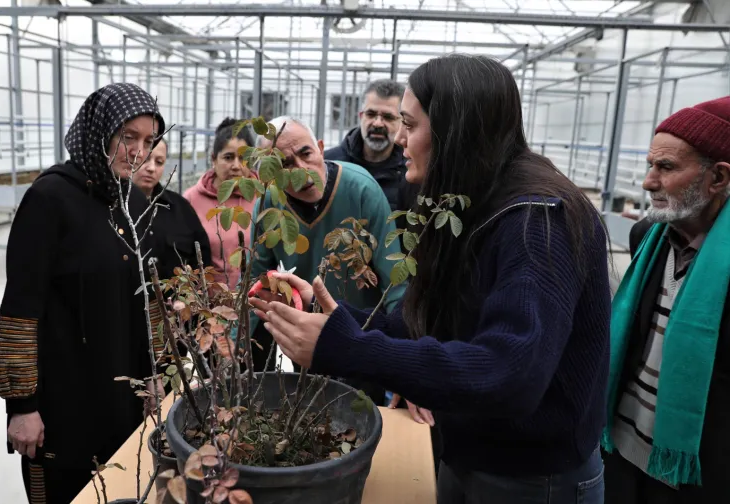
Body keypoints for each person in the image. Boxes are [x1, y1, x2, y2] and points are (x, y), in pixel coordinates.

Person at [250, 55, 611, 504]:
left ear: (454, 129)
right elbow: (432, 325)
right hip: (473, 451)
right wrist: (339, 320)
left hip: (533, 479)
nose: (399, 138)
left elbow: (509, 372)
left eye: (409, 123)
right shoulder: (474, 202)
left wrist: (347, 347)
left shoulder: (536, 221)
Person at [0, 82, 168, 504]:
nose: (139, 152)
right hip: (62, 400)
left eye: (149, 141)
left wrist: (157, 376)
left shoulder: (132, 202)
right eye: (128, 137)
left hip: (122, 398)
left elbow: (150, 300)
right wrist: (21, 405)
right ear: (100, 131)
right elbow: (21, 309)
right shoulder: (49, 199)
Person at [602, 96, 730, 503]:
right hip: (620, 448)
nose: (647, 182)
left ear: (719, 177)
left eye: (667, 168)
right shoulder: (648, 238)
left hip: (696, 469)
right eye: (649, 165)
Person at [249, 115, 406, 408]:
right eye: (284, 165)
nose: (301, 170)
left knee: (358, 414)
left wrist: (407, 365)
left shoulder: (361, 190)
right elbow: (254, 279)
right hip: (301, 340)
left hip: (360, 337)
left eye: (306, 153)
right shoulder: (268, 205)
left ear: (321, 148)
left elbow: (396, 285)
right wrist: (233, 349)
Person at [324, 78, 417, 215]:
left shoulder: (410, 172)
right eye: (371, 114)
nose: (378, 123)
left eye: (388, 117)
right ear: (361, 116)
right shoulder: (330, 163)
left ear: (402, 122)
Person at [185, 118, 258, 289]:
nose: (236, 166)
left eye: (243, 158)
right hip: (208, 307)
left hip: (256, 304)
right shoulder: (191, 200)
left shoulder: (263, 197)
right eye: (228, 157)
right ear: (213, 159)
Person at [132, 137, 212, 277]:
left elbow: (203, 262)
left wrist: (190, 296)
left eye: (159, 162)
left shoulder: (181, 208)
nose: (151, 168)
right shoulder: (112, 208)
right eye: (145, 159)